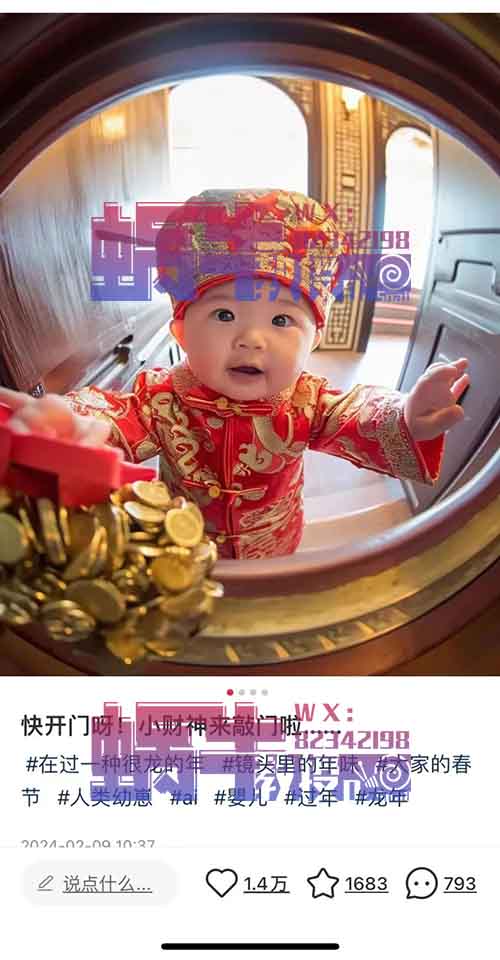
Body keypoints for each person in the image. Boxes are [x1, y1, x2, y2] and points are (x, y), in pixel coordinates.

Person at [0, 189, 470, 559]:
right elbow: (112, 416)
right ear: (181, 331)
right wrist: (68, 426)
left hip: (276, 540)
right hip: (183, 537)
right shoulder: (161, 397)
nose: (252, 339)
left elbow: (357, 414)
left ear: (314, 340)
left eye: (282, 320)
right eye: (223, 315)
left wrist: (406, 414)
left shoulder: (307, 400)